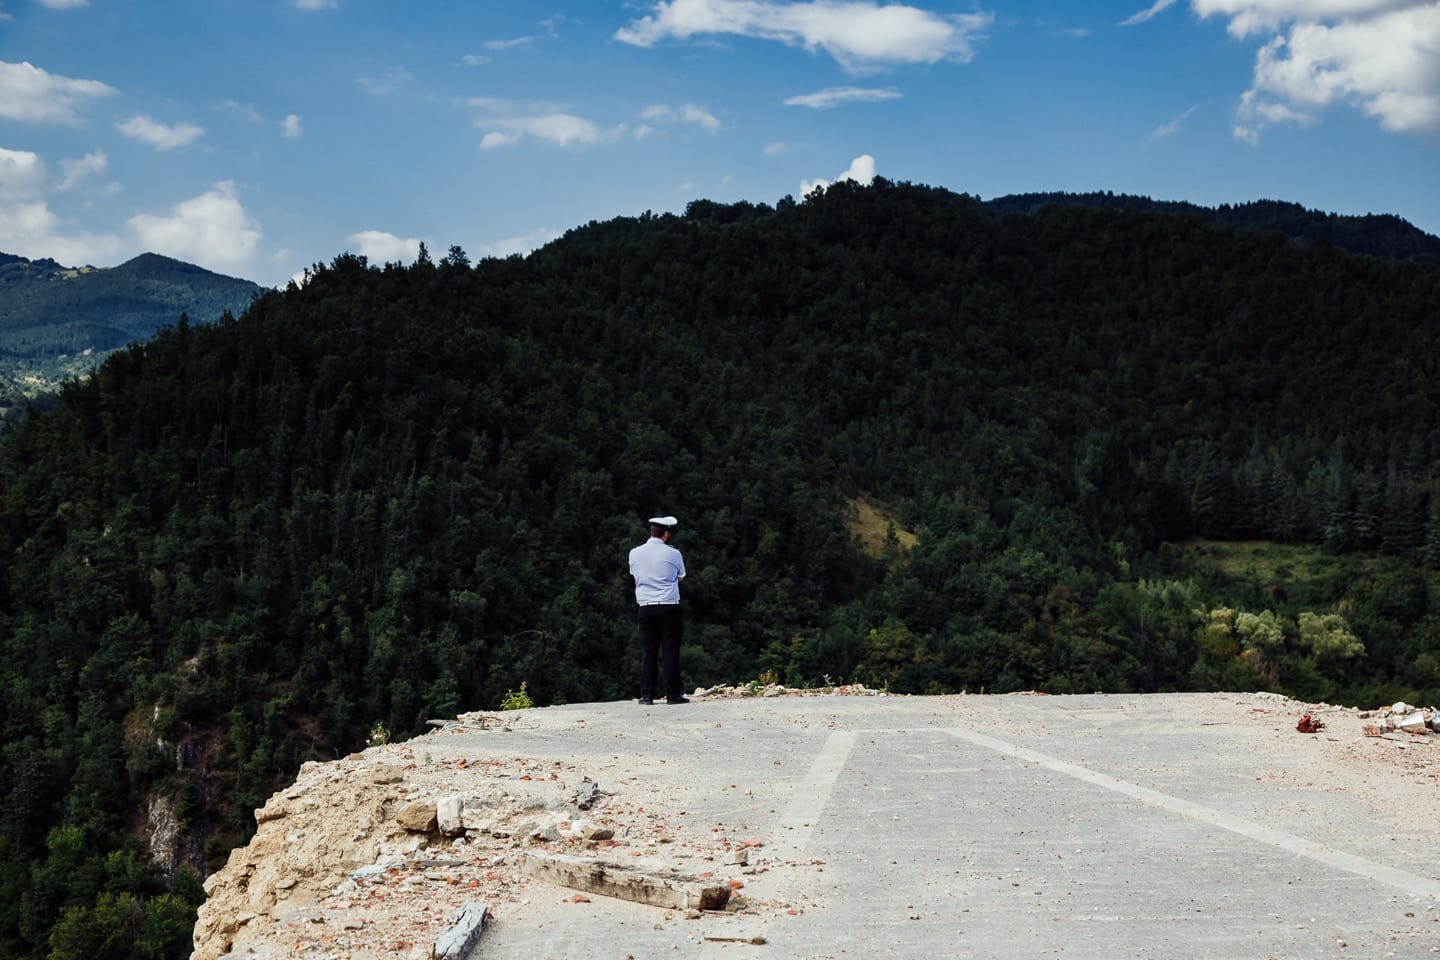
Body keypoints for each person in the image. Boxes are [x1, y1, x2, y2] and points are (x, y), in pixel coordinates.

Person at [628, 515, 688, 705]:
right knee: (670, 651)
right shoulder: (674, 553)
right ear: (666, 534)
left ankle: (647, 695)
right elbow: (681, 577)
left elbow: (634, 575)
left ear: (651, 533)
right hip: (669, 606)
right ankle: (673, 695)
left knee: (649, 651)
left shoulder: (634, 553)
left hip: (646, 607)